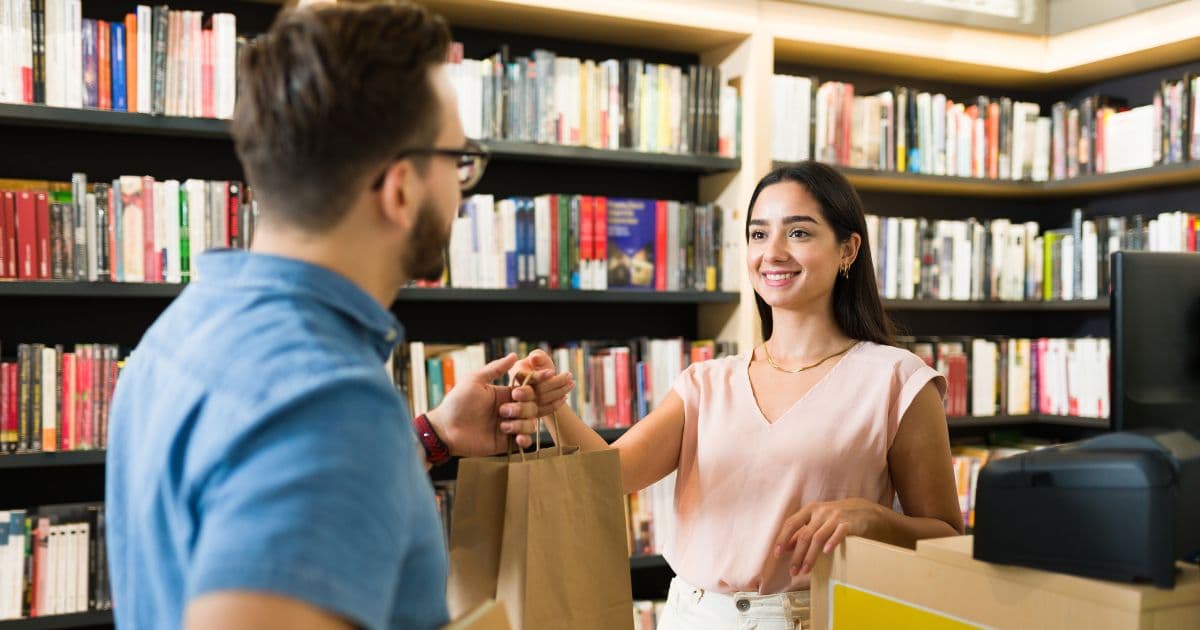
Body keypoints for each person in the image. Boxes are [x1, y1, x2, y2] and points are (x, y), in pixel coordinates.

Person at [105, 4, 571, 630]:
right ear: (401, 188)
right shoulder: (327, 401)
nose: (461, 192)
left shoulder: (185, 330)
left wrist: (431, 435)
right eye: (458, 162)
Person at [515, 161, 963, 629]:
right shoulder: (706, 383)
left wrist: (873, 520)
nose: (772, 253)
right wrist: (553, 407)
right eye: (757, 234)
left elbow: (947, 536)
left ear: (847, 249)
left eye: (799, 234)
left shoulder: (896, 380)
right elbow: (611, 475)